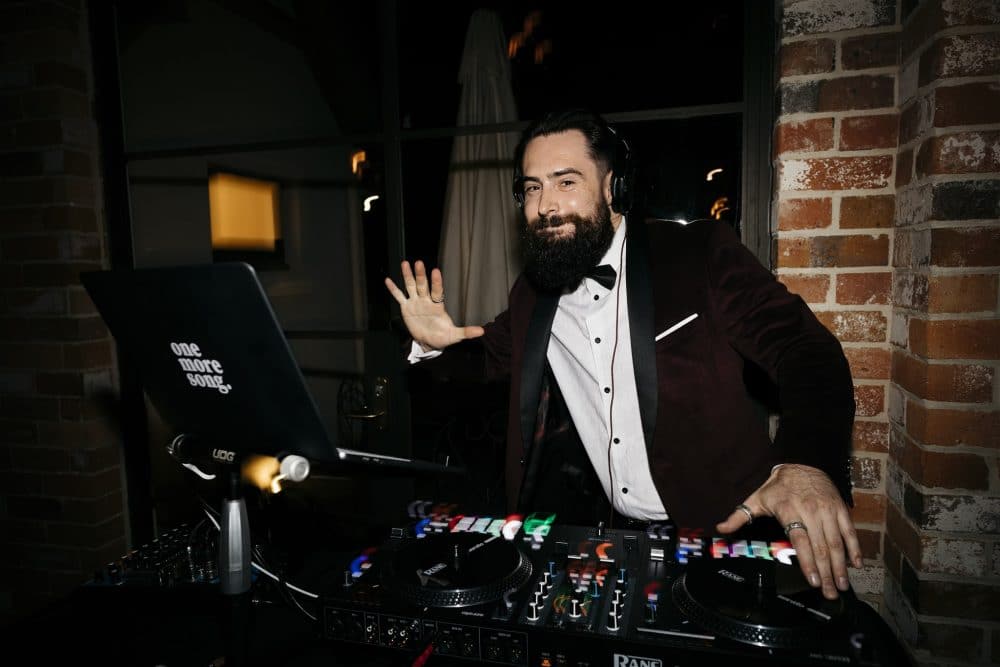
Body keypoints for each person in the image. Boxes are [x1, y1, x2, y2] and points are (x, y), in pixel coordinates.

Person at [384, 109, 860, 600]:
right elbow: (487, 358)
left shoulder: (696, 254)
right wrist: (431, 344)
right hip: (615, 537)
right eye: (531, 188)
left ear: (612, 187)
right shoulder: (533, 292)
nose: (545, 205)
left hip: (730, 534)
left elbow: (805, 349)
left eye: (565, 182)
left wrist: (805, 462)